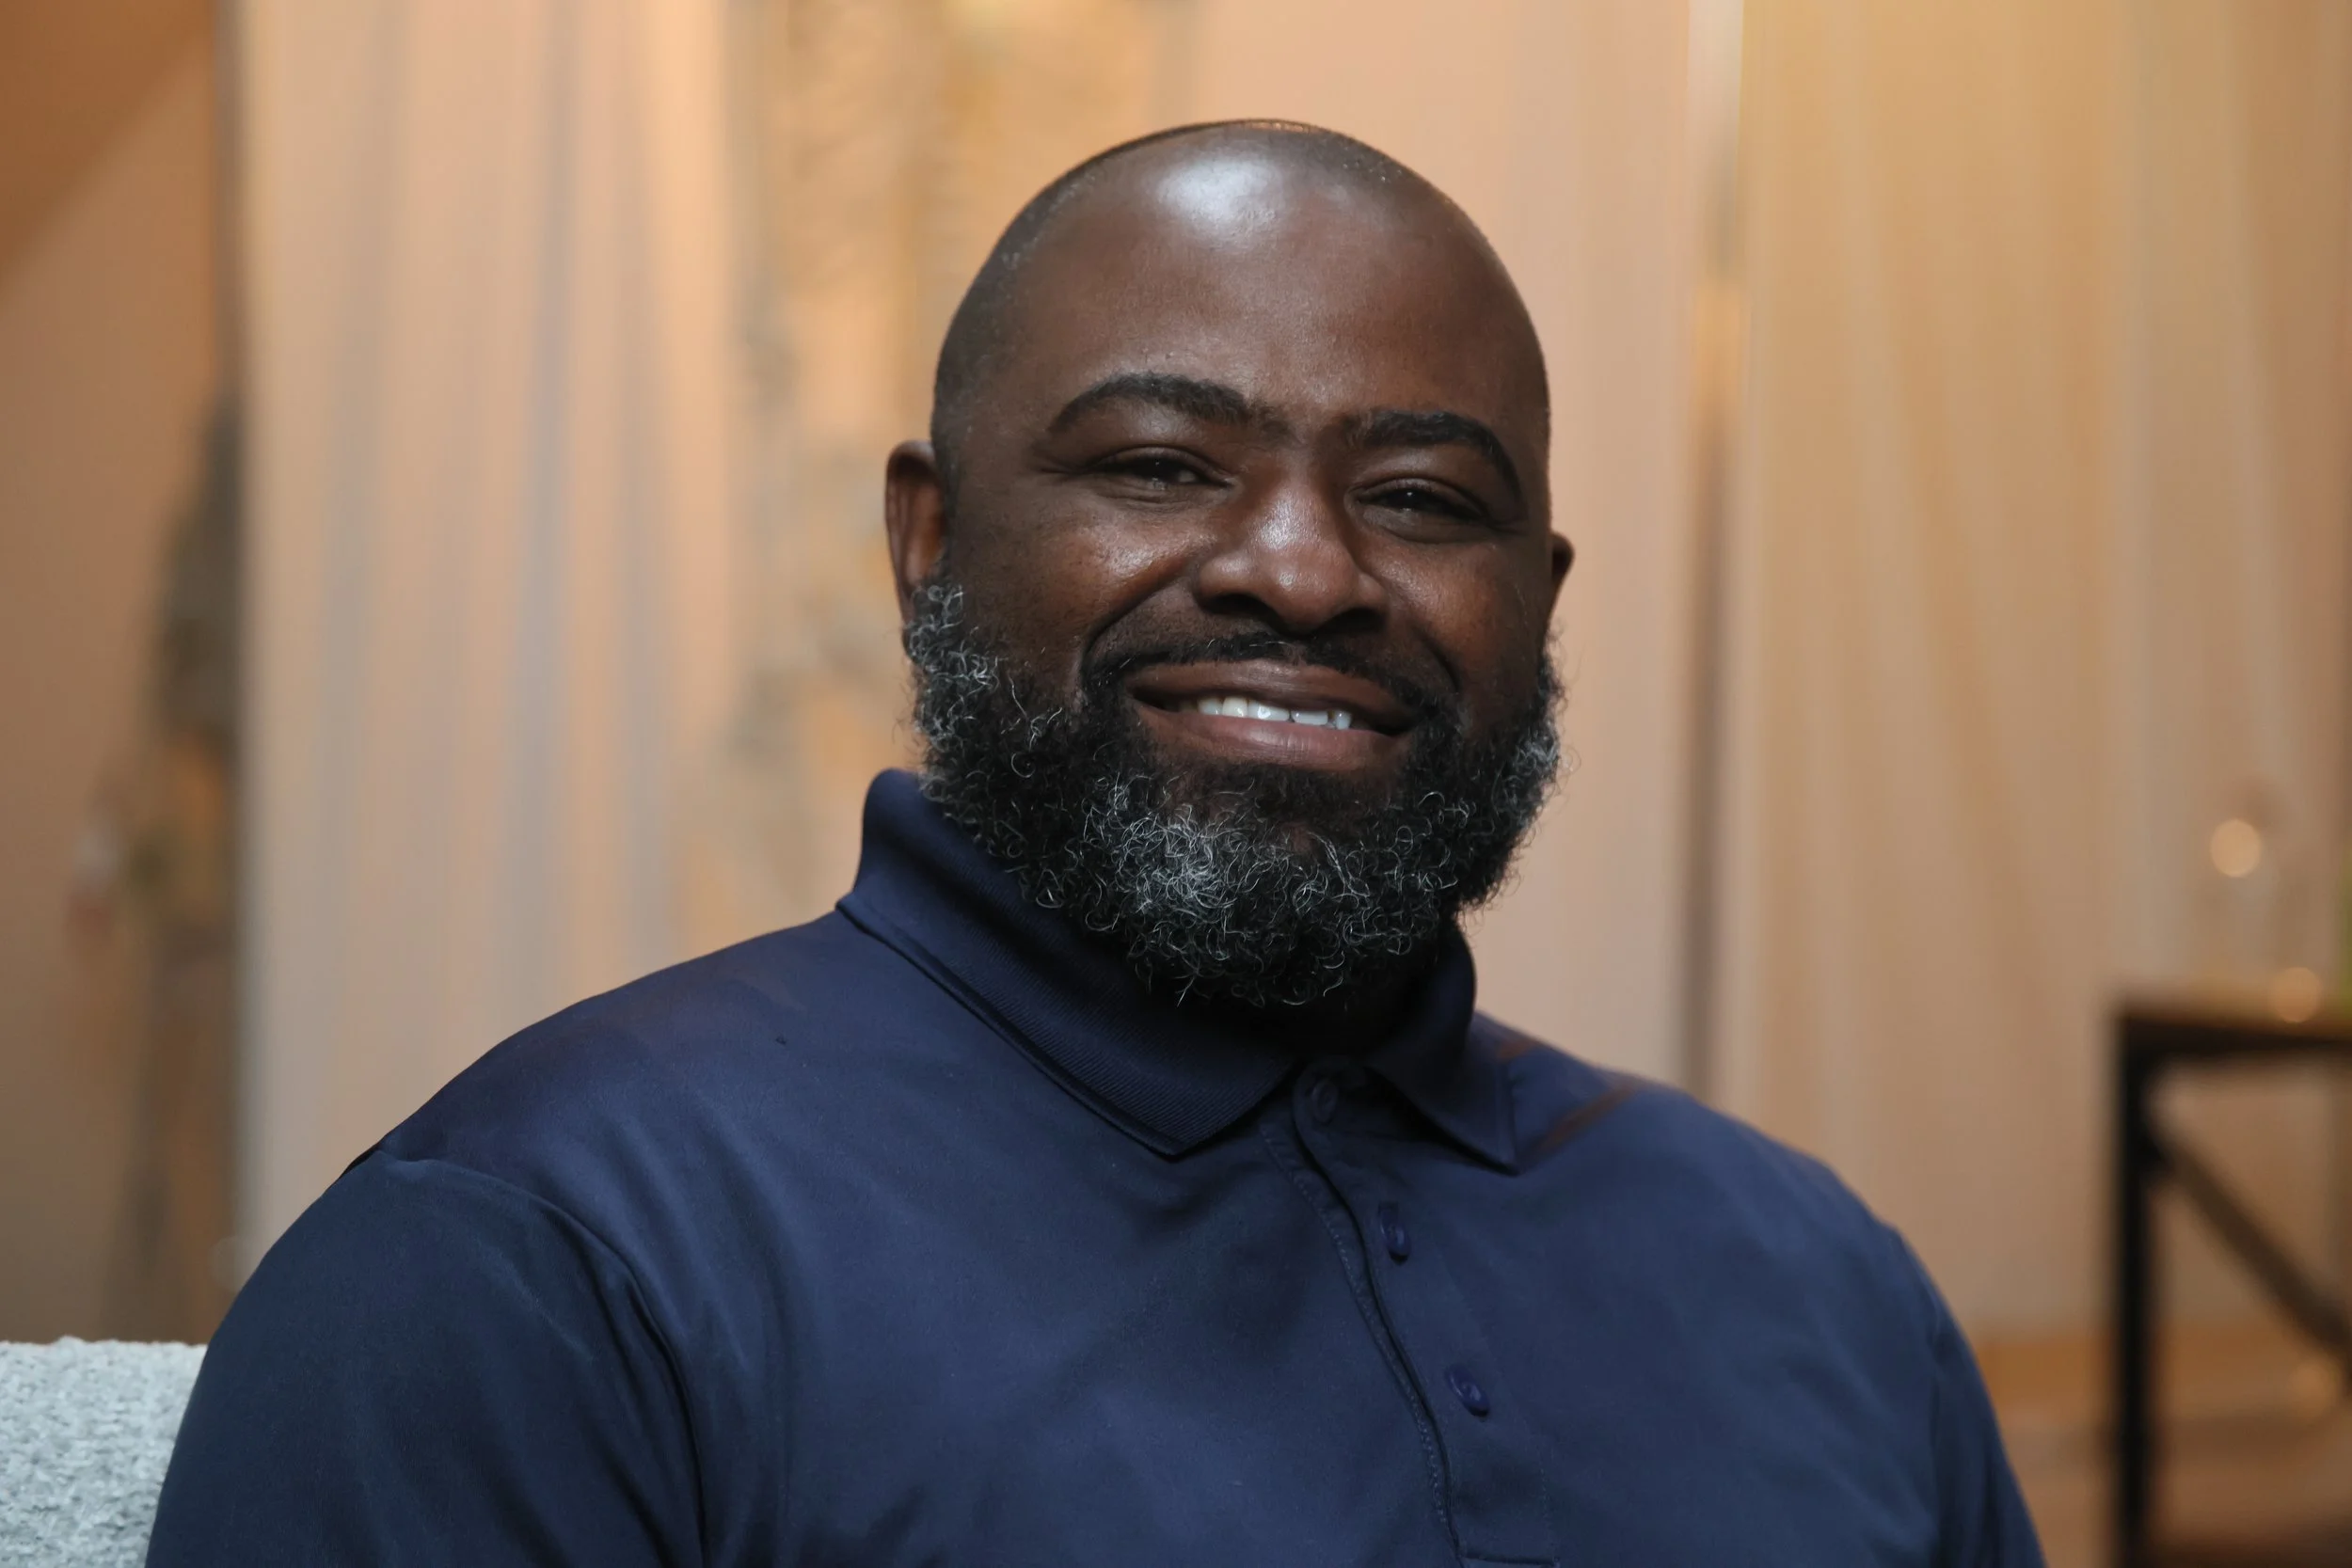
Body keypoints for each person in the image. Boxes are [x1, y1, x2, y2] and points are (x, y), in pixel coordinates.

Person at [150, 121, 2042, 1566]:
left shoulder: (1809, 1277)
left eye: (1415, 496)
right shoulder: (541, 1261)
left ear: (1535, 601)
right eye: (1158, 464)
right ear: (924, 542)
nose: (1301, 569)